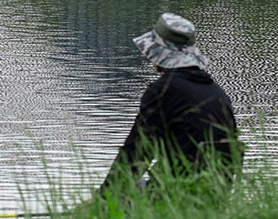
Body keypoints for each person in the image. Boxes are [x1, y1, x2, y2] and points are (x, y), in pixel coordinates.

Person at [99, 12, 240, 196]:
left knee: (125, 188)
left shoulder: (164, 91)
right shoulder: (217, 92)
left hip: (176, 196)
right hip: (216, 196)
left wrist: (101, 199)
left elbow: (137, 154)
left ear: (159, 53)